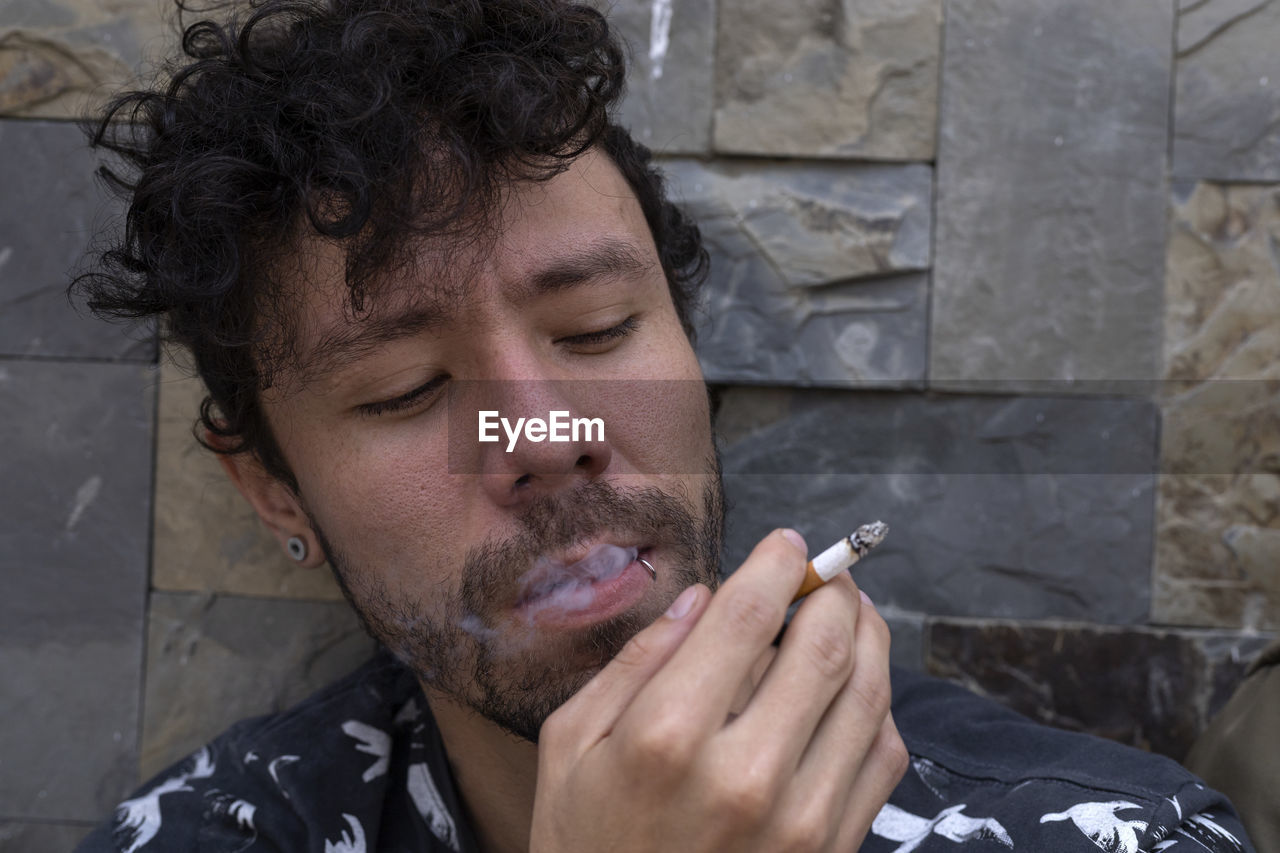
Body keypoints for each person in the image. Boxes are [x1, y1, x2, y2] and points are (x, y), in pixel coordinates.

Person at [72, 1, 1255, 850]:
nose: (542, 436)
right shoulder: (188, 835)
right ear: (274, 487)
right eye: (404, 392)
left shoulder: (1105, 836)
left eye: (592, 331)